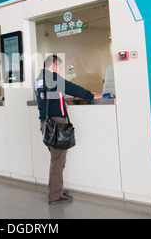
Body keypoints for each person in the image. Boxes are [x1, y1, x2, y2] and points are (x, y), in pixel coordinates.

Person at [34, 55, 102, 205]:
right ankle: (55, 195)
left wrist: (61, 102)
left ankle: (57, 189)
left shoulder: (39, 79)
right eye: (59, 68)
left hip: (45, 125)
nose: (59, 71)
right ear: (53, 66)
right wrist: (92, 95)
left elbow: (47, 99)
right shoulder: (53, 78)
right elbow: (73, 88)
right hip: (56, 125)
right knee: (58, 161)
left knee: (57, 160)